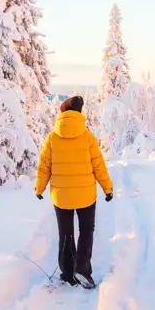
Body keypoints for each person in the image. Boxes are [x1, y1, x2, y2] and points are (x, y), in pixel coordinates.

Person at [35, 95, 113, 289]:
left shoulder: (52, 138)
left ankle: (68, 272)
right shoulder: (88, 137)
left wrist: (40, 187)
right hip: (86, 195)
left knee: (66, 233)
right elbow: (99, 167)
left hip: (61, 196)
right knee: (86, 230)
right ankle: (82, 270)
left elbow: (44, 166)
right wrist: (107, 188)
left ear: (62, 113)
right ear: (79, 113)